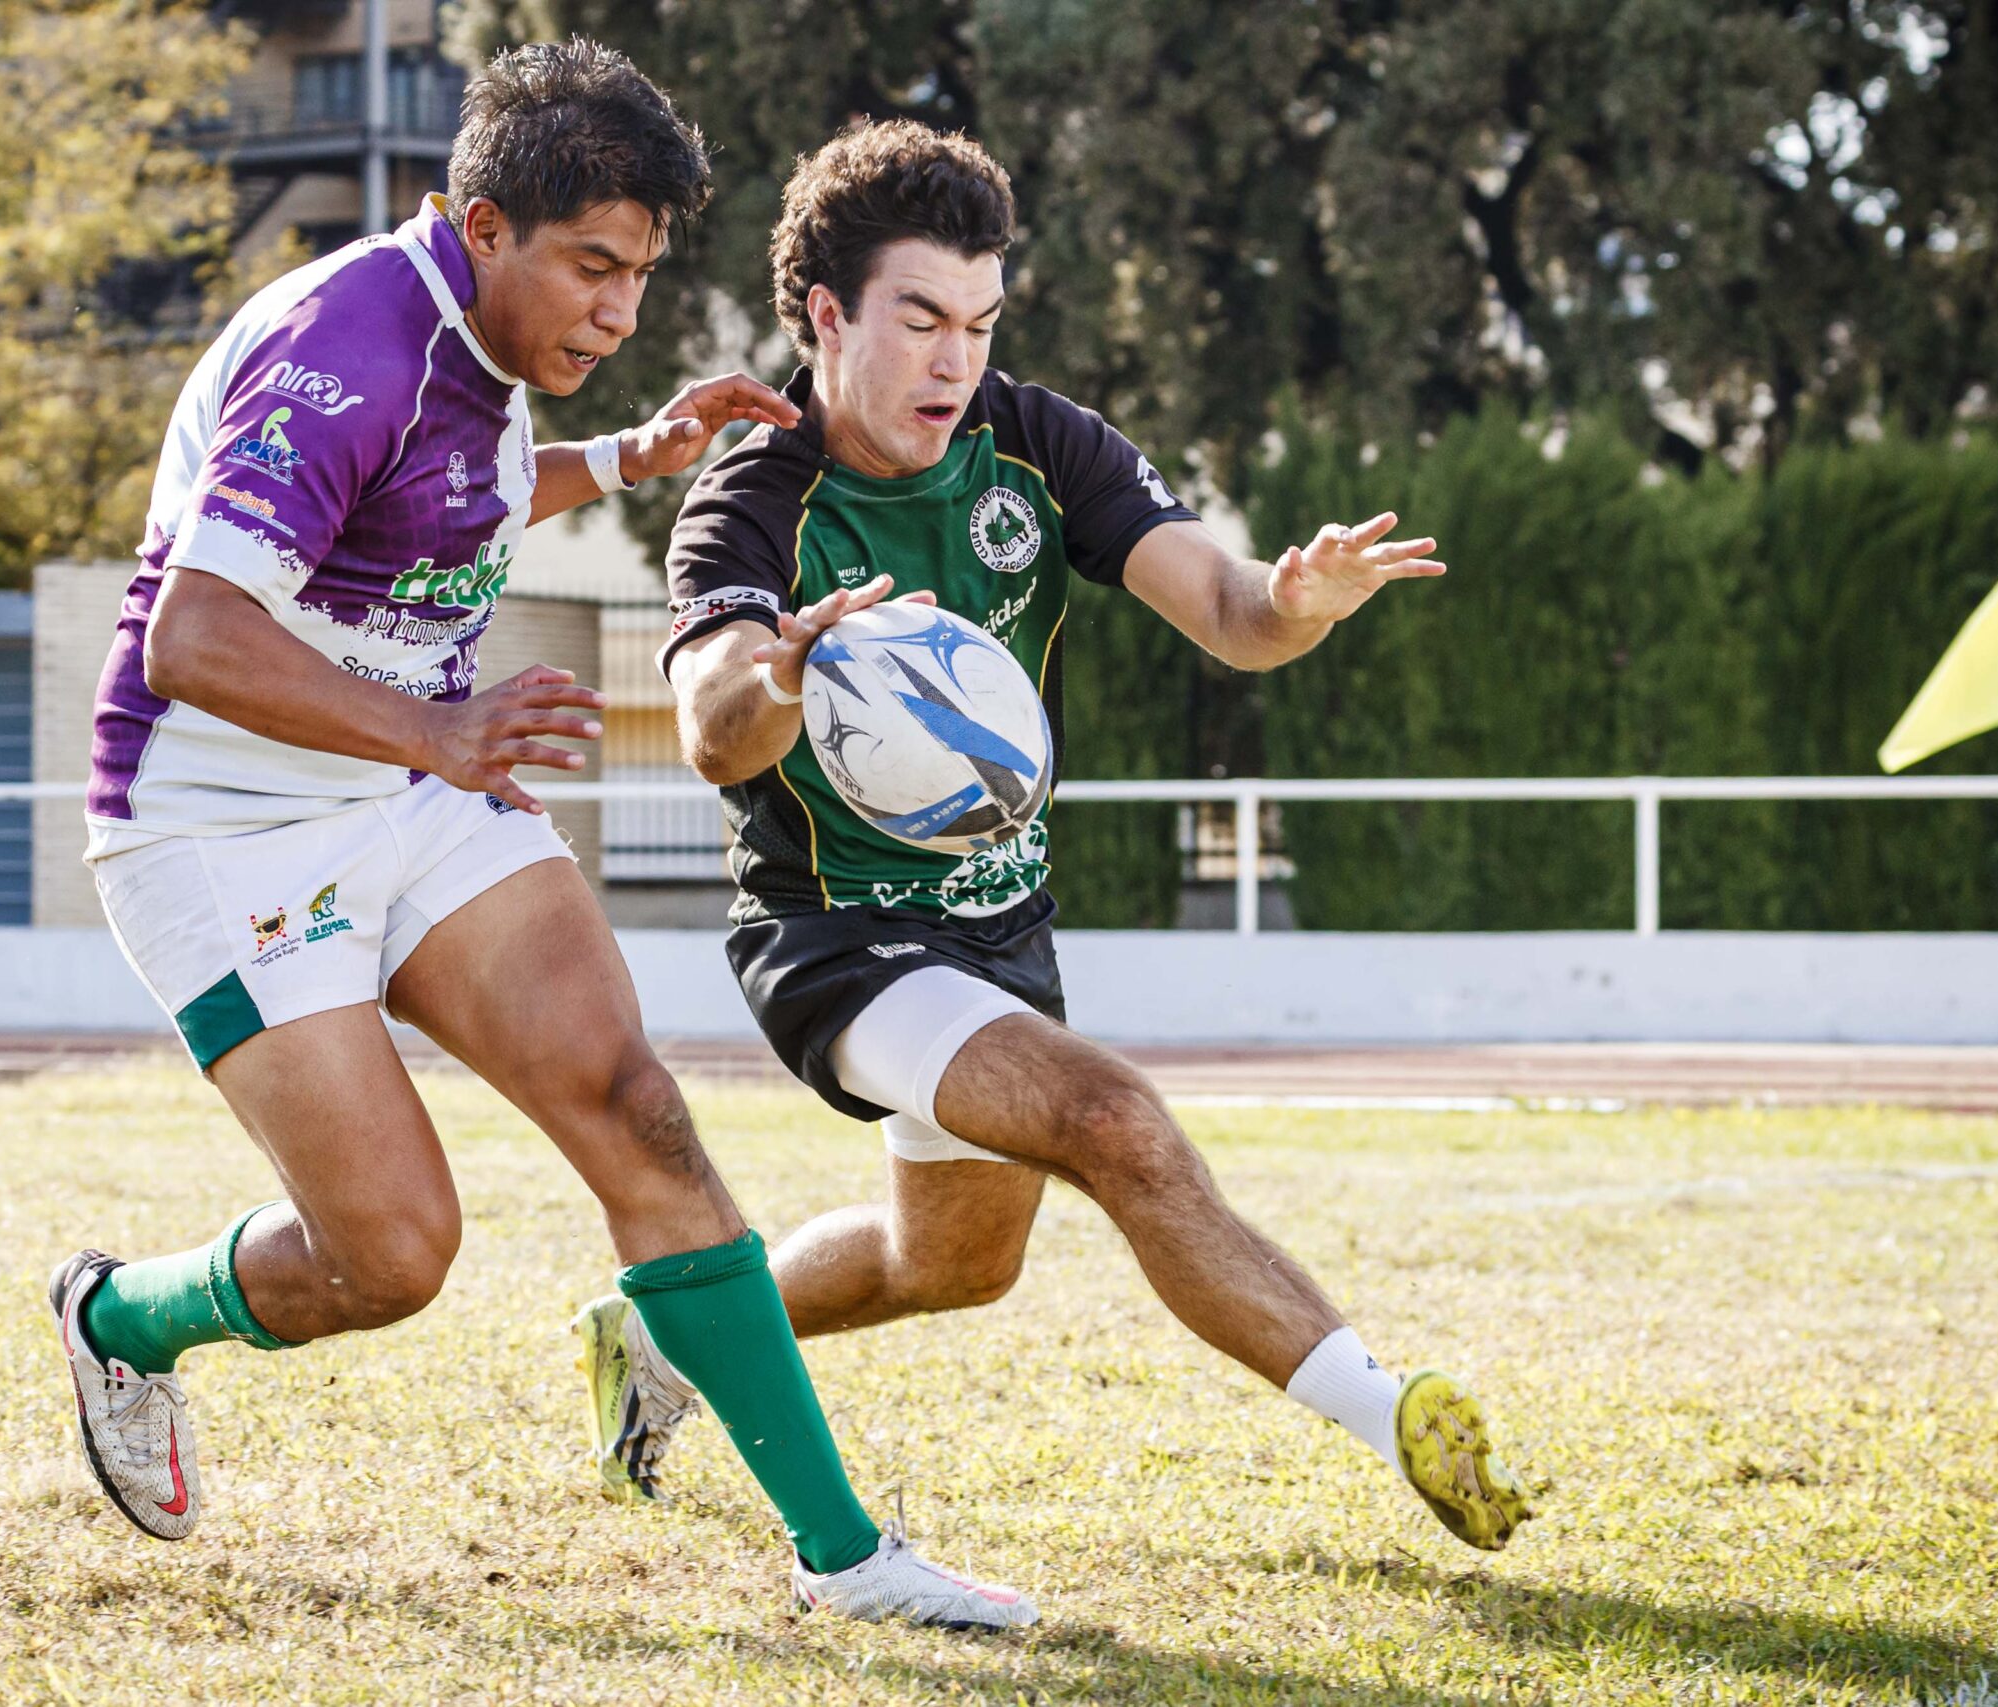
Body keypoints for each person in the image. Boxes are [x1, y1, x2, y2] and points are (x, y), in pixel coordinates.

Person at [49, 48, 1035, 1629]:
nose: (616, 312)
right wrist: (440, 730)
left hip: (410, 786)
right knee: (391, 1256)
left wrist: (625, 459)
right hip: (217, 830)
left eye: (639, 275)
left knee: (639, 1112)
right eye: (592, 267)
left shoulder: (483, 350)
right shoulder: (345, 345)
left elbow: (445, 487)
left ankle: (845, 1557)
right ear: (484, 223)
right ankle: (123, 1316)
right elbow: (197, 638)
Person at [572, 119, 1534, 1553]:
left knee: (948, 1265)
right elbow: (715, 727)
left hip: (998, 933)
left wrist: (1299, 599)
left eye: (980, 322)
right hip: (839, 940)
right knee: (1112, 1121)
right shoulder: (755, 499)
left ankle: (663, 1338)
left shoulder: (1036, 442)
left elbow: (1230, 611)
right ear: (828, 315)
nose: (955, 360)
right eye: (920, 320)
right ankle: (1388, 1410)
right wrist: (786, 666)